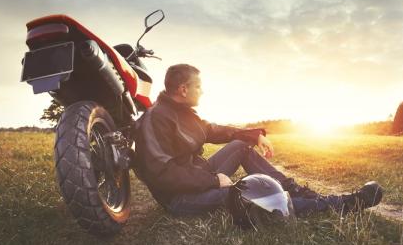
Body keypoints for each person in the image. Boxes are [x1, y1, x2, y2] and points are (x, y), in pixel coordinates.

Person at [133, 64, 382, 217]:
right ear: (183, 89)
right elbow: (162, 175)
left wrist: (254, 135)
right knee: (248, 194)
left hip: (198, 175)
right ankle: (338, 205)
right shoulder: (155, 119)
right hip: (180, 198)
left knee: (241, 146)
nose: (203, 91)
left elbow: (214, 130)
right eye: (199, 86)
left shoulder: (182, 112)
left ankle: (295, 190)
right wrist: (212, 180)